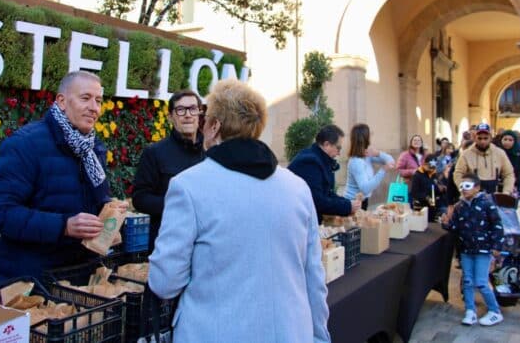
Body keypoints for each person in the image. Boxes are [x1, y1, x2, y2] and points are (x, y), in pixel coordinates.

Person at [148, 79, 330, 343]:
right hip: (290, 333)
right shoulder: (297, 187)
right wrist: (319, 336)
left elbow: (165, 282)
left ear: (214, 126)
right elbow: (314, 277)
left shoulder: (188, 186)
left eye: (204, 118)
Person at [0, 71, 116, 282]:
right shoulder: (24, 144)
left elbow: (95, 199)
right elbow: (0, 213)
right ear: (61, 101)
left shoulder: (93, 148)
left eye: (99, 101)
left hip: (80, 274)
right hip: (32, 280)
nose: (94, 108)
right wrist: (63, 225)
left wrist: (110, 215)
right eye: (85, 98)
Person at [132, 89, 205, 253]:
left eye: (193, 109)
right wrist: (178, 205)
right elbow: (139, 198)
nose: (188, 115)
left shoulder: (210, 153)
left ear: (199, 114)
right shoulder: (155, 152)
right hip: (167, 245)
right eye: (180, 110)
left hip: (203, 245)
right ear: (171, 116)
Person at [441, 173, 505, 326]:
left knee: (482, 282)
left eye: (467, 186)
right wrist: (446, 223)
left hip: (483, 250)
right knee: (468, 281)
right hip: (466, 250)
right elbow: (456, 227)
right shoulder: (459, 206)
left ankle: (495, 311)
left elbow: (497, 225)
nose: (464, 189)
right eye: (461, 186)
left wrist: (497, 246)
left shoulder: (487, 204)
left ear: (477, 188)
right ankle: (470, 310)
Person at [288, 124, 362, 222]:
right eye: (338, 148)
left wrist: (348, 203)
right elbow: (317, 201)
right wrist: (347, 206)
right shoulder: (310, 162)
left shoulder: (321, 159)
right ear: (327, 144)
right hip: (297, 222)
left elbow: (327, 193)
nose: (339, 152)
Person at [344, 123, 395, 210]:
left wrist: (378, 153)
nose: (371, 136)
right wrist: (382, 170)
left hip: (362, 201)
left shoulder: (366, 156)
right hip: (353, 203)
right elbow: (365, 189)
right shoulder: (356, 162)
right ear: (364, 138)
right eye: (369, 134)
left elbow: (391, 161)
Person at [453, 123, 515, 195]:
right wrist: (465, 190)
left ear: (490, 138)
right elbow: (458, 173)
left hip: (494, 195)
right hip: (473, 196)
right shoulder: (466, 154)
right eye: (479, 138)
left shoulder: (500, 153)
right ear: (475, 138)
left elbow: (509, 174)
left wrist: (506, 192)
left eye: (485, 138)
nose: (482, 141)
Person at [410, 154, 445, 221]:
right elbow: (414, 192)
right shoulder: (417, 175)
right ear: (424, 164)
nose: (431, 169)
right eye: (429, 166)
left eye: (433, 167)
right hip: (421, 206)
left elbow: (435, 189)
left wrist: (441, 189)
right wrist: (426, 197)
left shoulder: (434, 175)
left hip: (434, 206)